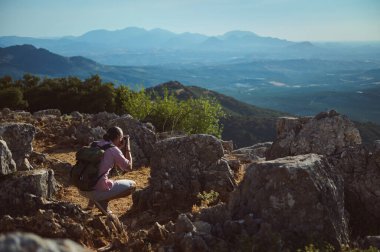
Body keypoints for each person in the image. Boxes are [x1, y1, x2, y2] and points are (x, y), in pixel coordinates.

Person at [80, 126, 136, 213]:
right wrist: (127, 146)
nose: (122, 141)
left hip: (82, 189)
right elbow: (129, 167)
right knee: (132, 185)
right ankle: (102, 201)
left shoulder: (94, 144)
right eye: (121, 138)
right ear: (118, 137)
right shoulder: (114, 150)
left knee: (97, 174)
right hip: (96, 192)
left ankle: (90, 205)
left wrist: (118, 148)